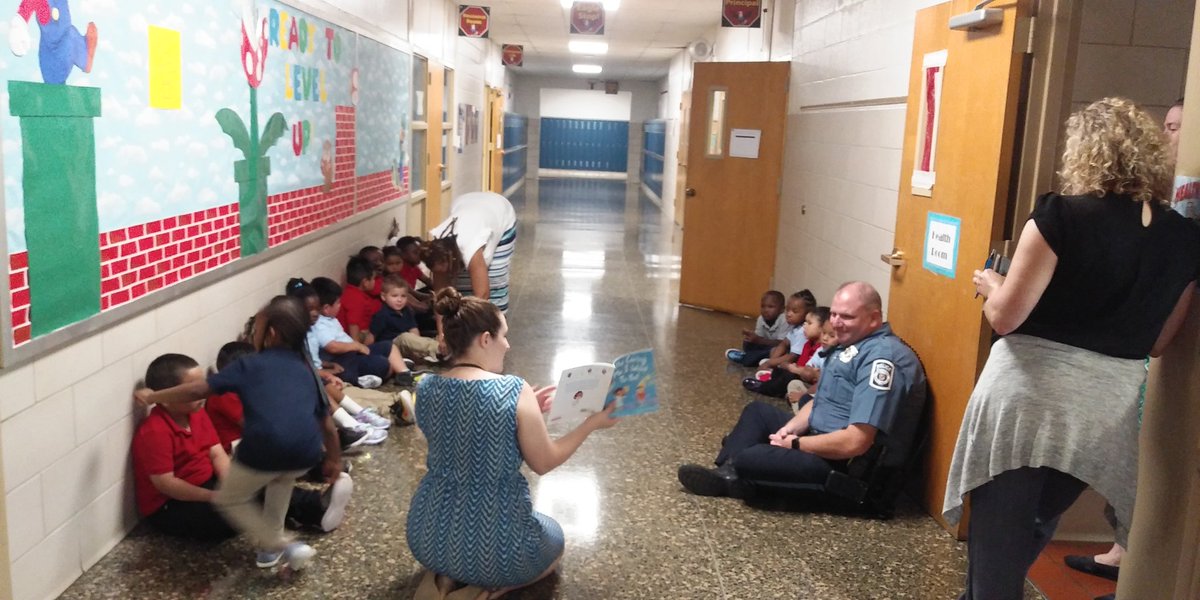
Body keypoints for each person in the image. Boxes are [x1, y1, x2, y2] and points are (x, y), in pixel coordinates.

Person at [941, 97, 1200, 600]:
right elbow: (1161, 341)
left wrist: (993, 282)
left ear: (1084, 153)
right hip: (1103, 414)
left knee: (997, 550)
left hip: (1026, 403)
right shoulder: (1184, 240)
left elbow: (1006, 316)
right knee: (1033, 525)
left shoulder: (1060, 215)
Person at [406, 287, 618, 600]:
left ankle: (446, 579)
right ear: (485, 339)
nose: (508, 344)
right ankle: (496, 587)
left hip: (425, 537)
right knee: (554, 538)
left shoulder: (426, 387)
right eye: (503, 335)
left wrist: (531, 410)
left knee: (460, 537)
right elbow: (543, 462)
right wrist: (591, 424)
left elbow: (463, 435)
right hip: (497, 546)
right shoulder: (513, 390)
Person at [135, 296, 345, 571]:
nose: (253, 334)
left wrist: (152, 397)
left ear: (270, 333)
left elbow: (200, 395)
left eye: (256, 328)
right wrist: (333, 459)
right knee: (276, 484)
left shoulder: (249, 366)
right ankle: (274, 545)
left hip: (264, 450)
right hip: (304, 451)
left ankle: (283, 544)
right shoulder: (303, 366)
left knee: (233, 500)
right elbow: (327, 425)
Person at [677, 282, 926, 503]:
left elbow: (856, 442)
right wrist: (792, 428)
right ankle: (728, 473)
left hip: (845, 468)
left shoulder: (881, 360)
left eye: (847, 317)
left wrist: (796, 444)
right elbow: (821, 401)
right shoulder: (852, 345)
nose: (837, 323)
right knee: (757, 413)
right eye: (835, 314)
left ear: (873, 319)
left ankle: (737, 470)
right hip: (822, 435)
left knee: (750, 453)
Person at [132, 354, 236, 542]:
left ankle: (304, 505)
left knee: (261, 484)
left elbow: (217, 453)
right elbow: (167, 484)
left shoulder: (196, 412)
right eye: (192, 392)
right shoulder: (155, 430)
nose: (201, 395)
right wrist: (213, 496)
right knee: (226, 520)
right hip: (170, 504)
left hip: (206, 484)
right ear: (165, 397)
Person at [425, 191, 518, 312]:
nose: (446, 274)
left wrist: (474, 326)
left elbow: (483, 296)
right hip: (465, 204)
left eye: (447, 270)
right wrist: (442, 331)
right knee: (459, 289)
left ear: (453, 258)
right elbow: (441, 297)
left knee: (494, 283)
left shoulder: (470, 248)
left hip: (499, 210)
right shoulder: (437, 250)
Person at [744, 306, 829, 397]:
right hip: (800, 373)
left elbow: (810, 374)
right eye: (805, 322)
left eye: (809, 323)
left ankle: (763, 387)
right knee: (780, 370)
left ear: (822, 328)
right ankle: (773, 381)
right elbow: (803, 364)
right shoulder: (808, 344)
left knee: (789, 376)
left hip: (808, 382)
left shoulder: (822, 349)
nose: (804, 325)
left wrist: (793, 368)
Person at [371, 275, 440, 371]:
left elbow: (414, 329)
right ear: (383, 297)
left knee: (413, 338)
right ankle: (439, 348)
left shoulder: (406, 311)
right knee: (405, 337)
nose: (399, 300)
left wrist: (418, 344)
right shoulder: (382, 315)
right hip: (392, 347)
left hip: (407, 346)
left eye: (403, 296)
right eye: (394, 296)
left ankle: (431, 352)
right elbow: (372, 337)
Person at [725, 290, 789, 367]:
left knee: (775, 350)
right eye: (763, 306)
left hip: (777, 349)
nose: (765, 310)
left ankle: (745, 358)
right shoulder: (761, 318)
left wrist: (759, 340)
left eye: (770, 307)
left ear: (782, 309)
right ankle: (760, 359)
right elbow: (759, 339)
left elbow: (782, 344)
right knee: (747, 343)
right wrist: (752, 337)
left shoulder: (784, 320)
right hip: (766, 347)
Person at [338, 256, 382, 344]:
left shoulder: (353, 292)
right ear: (365, 282)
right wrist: (357, 347)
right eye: (373, 279)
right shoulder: (355, 299)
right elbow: (353, 325)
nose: (374, 281)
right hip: (355, 337)